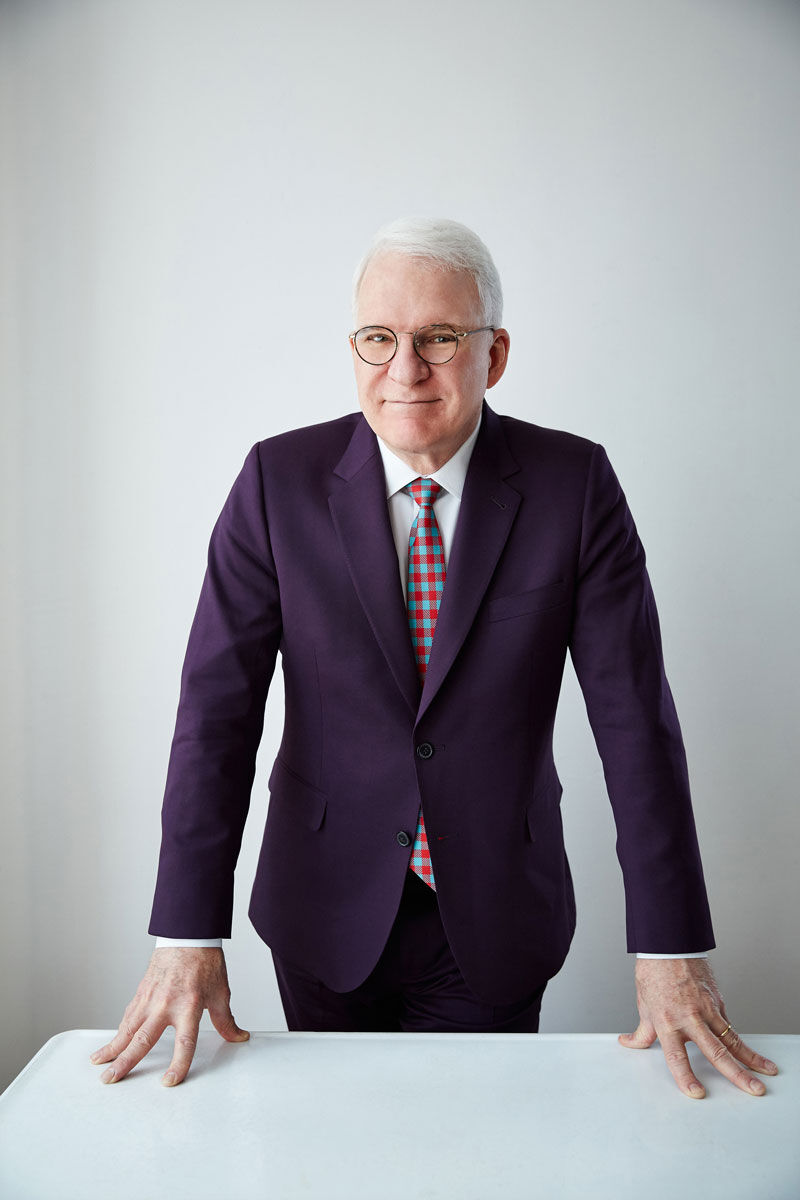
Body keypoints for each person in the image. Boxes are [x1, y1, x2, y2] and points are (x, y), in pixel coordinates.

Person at [92, 217, 778, 1096]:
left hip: (496, 909)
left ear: (492, 356)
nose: (404, 370)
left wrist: (670, 948)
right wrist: (187, 934)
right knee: (334, 1155)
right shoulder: (276, 483)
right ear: (354, 349)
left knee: (476, 1155)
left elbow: (636, 724)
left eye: (439, 338)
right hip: (321, 904)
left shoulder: (575, 487)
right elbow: (214, 717)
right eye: (379, 338)